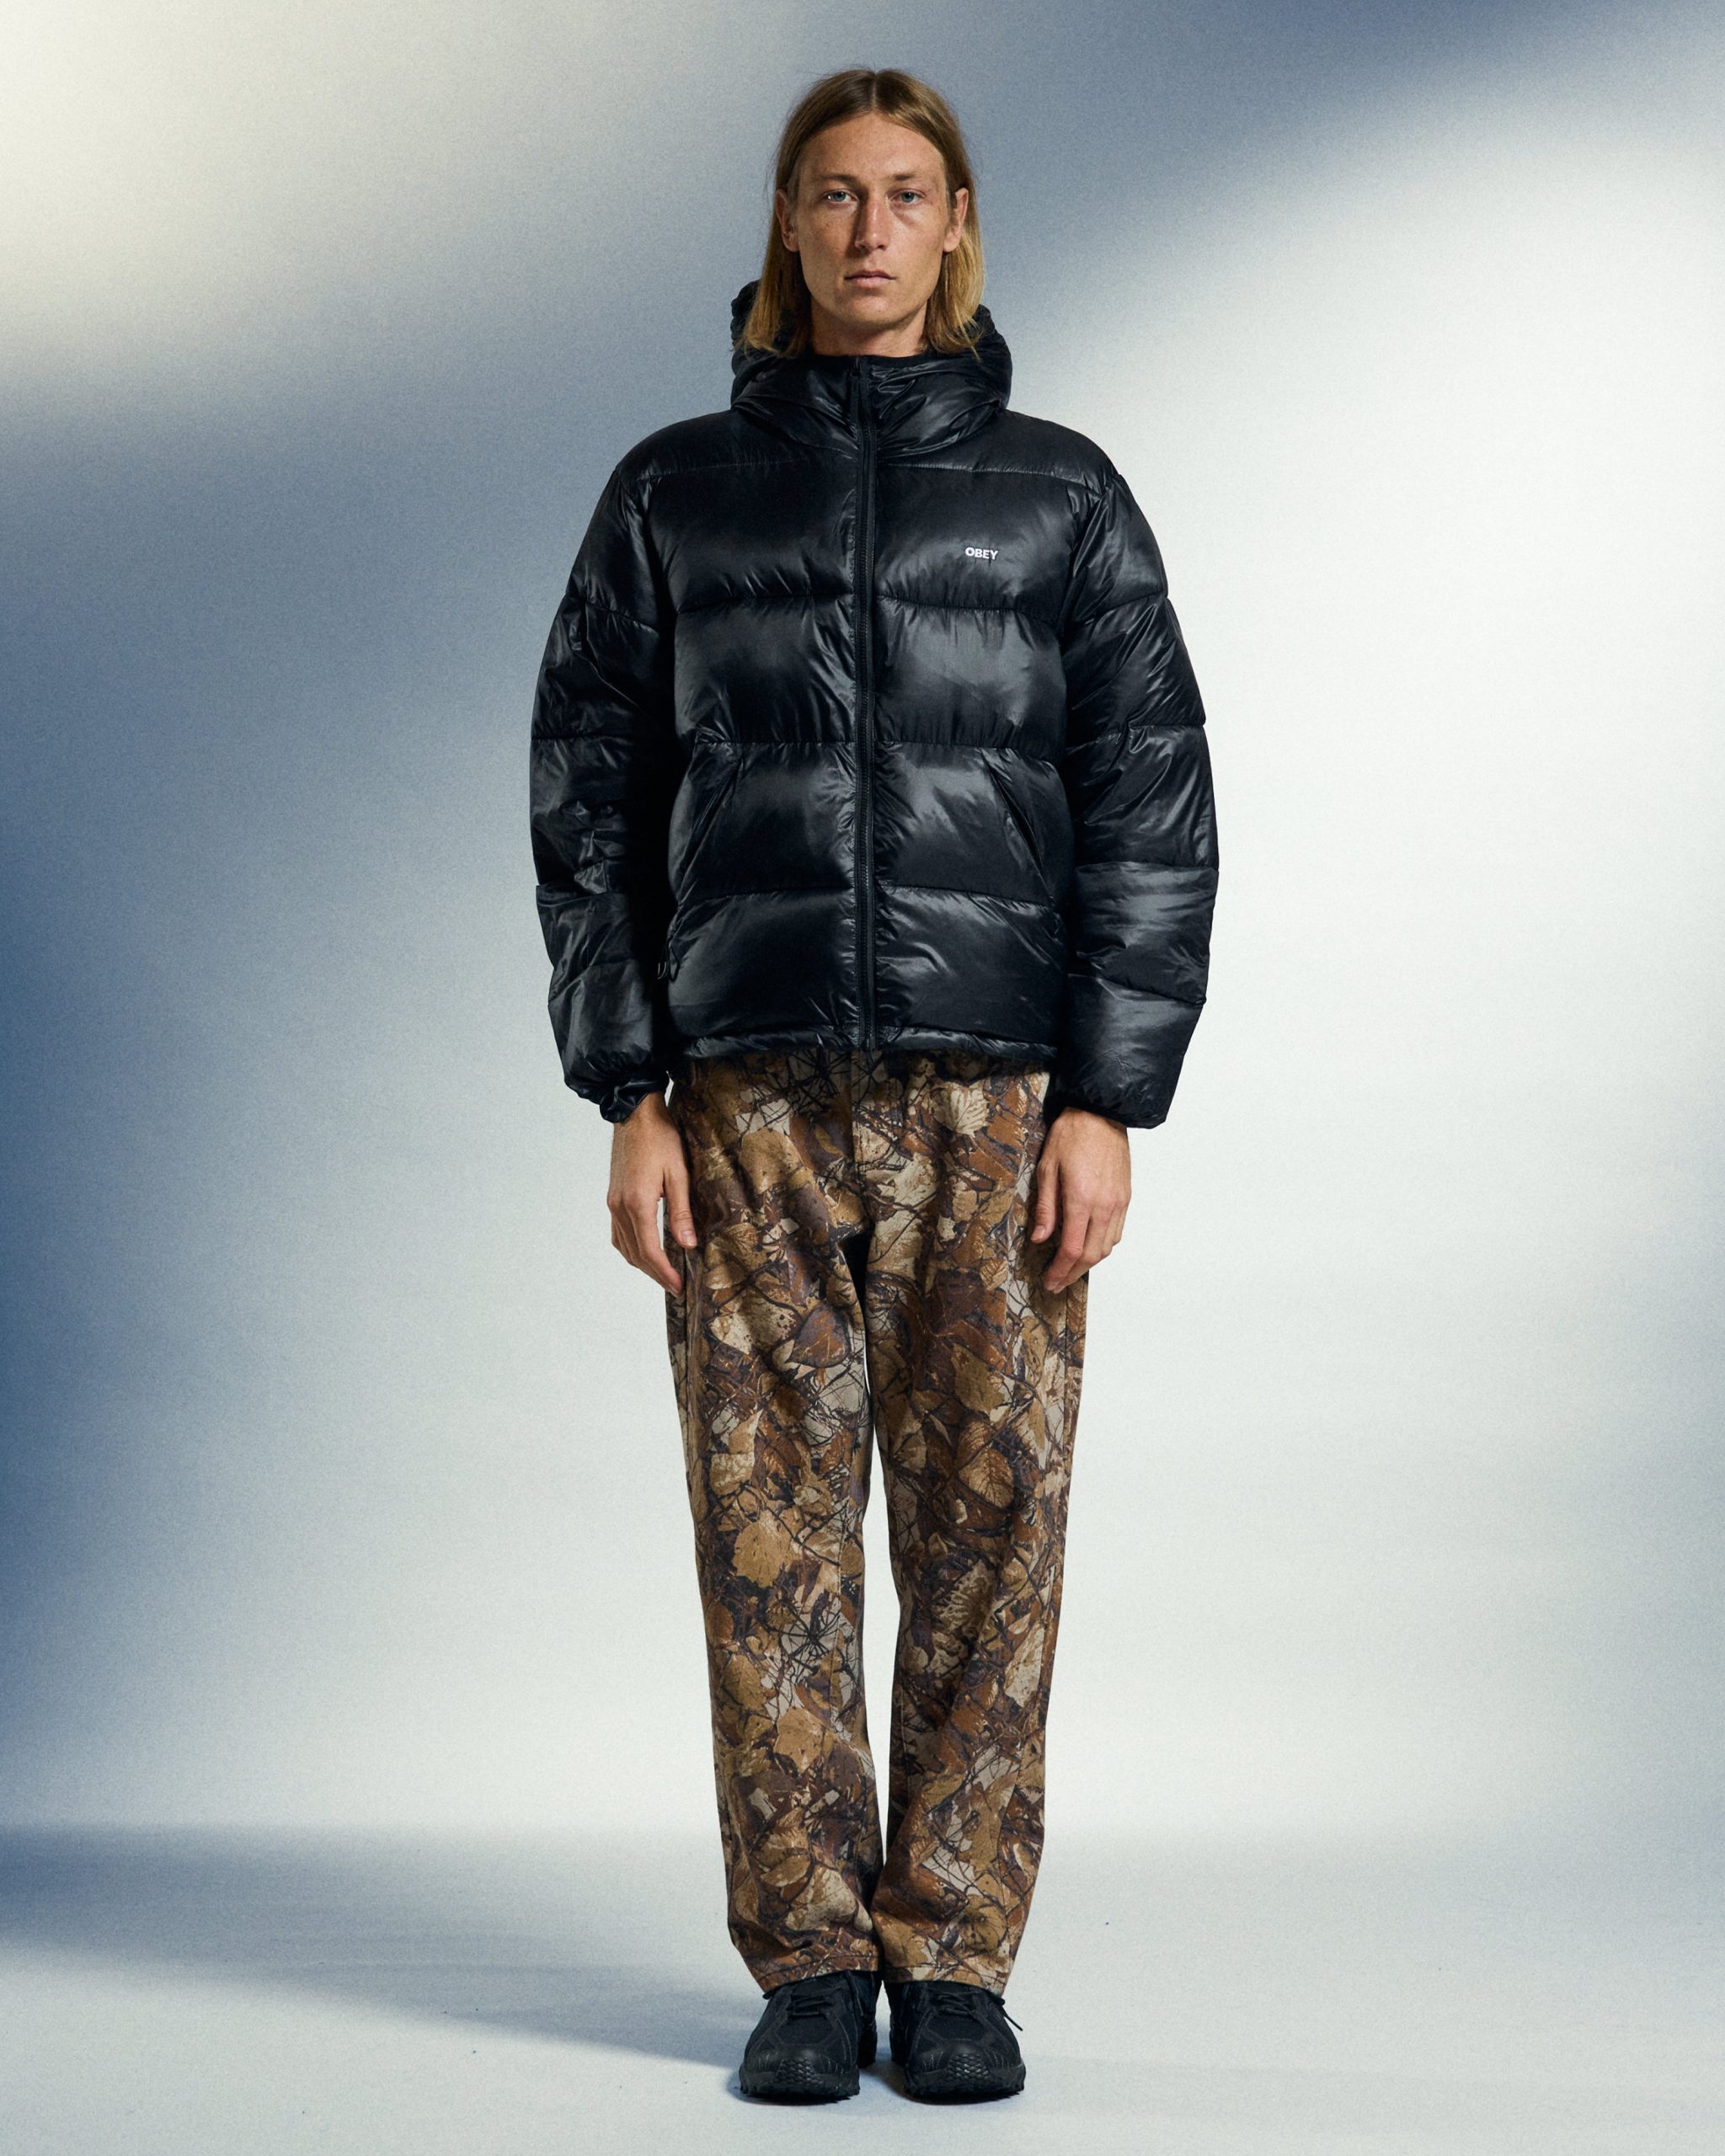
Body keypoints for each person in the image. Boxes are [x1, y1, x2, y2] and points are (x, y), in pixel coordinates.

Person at [529, 66, 1217, 2105]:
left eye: (905, 194)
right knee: (772, 1540)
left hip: (994, 1097)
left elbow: (1149, 801)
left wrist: (1106, 1095)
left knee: (992, 1533)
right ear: (787, 221)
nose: (868, 230)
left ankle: (957, 1955)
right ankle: (813, 1958)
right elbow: (586, 796)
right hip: (742, 1095)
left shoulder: (1060, 495)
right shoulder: (673, 493)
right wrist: (627, 1087)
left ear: (957, 221)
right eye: (833, 194)